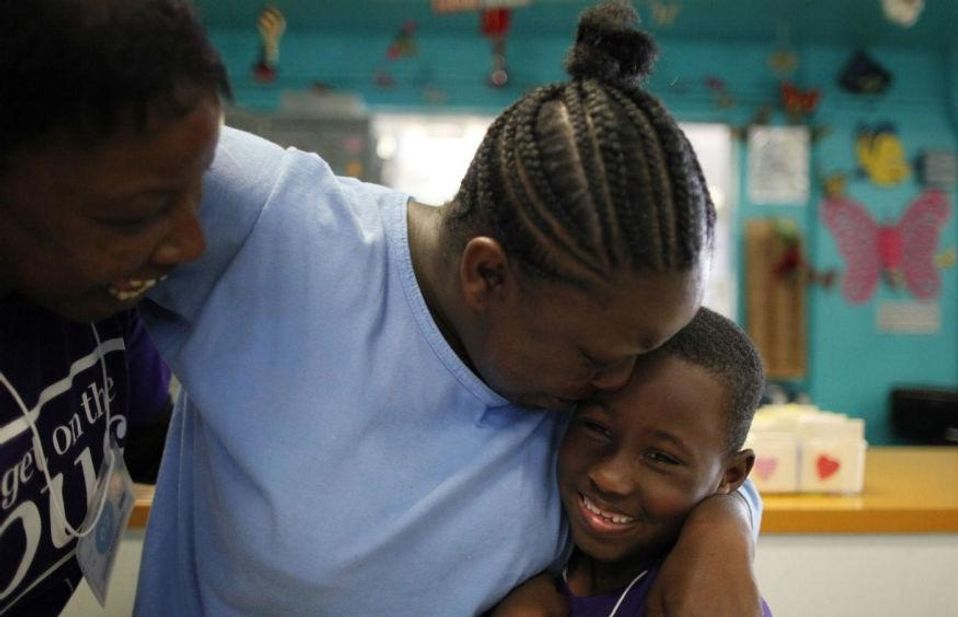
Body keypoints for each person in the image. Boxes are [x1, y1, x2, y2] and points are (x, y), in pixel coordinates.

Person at [135, 2, 762, 615]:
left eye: (640, 353)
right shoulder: (275, 227)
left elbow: (694, 446)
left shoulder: (575, 385)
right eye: (598, 359)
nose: (620, 381)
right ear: (487, 276)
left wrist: (725, 525)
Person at [0, 1, 228, 615]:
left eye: (198, 186)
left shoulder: (94, 307)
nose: (191, 244)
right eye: (132, 216)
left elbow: (152, 440)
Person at [490, 308, 773, 617]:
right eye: (596, 429)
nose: (610, 477)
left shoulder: (711, 604)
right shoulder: (528, 566)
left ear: (730, 475)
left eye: (661, 457)